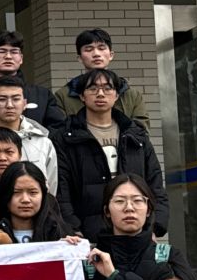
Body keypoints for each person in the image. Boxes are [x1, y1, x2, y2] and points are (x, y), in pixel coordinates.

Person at [54, 67, 169, 236]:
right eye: (93, 88)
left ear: (116, 95)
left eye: (107, 88)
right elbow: (61, 190)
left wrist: (154, 225)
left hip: (135, 231)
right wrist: (72, 228)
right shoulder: (66, 137)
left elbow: (155, 182)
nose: (100, 94)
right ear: (82, 96)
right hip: (87, 234)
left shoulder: (135, 135)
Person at [0, 31, 65, 126]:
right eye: (1, 51)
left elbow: (58, 128)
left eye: (14, 52)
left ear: (21, 58)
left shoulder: (42, 95)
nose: (8, 56)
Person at [0, 74, 60, 192]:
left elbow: (51, 188)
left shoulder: (42, 141)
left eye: (16, 99)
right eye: (2, 99)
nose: (9, 105)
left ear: (24, 103)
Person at [59, 27, 148, 125]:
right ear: (80, 58)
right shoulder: (63, 96)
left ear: (111, 55)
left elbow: (141, 129)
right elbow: (59, 129)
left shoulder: (131, 95)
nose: (96, 54)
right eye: (88, 49)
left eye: (101, 48)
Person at [0, 159, 73, 245]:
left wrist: (69, 245)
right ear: (4, 194)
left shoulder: (58, 232)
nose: (25, 199)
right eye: (16, 192)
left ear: (43, 195)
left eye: (33, 192)